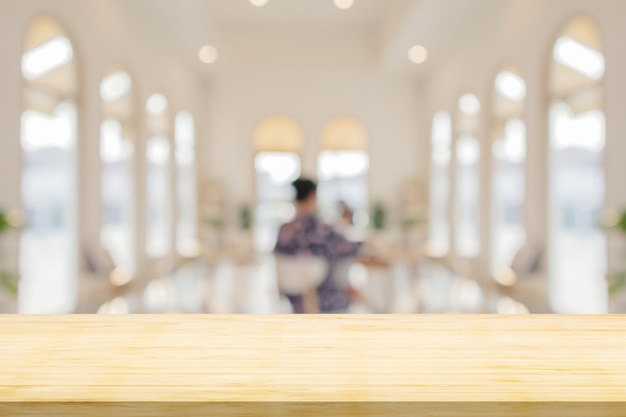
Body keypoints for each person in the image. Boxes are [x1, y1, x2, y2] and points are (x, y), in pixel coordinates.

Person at [275, 178, 362, 313]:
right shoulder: (321, 230)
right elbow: (349, 248)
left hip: (294, 301)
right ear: (313, 196)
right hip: (323, 300)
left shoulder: (283, 230)